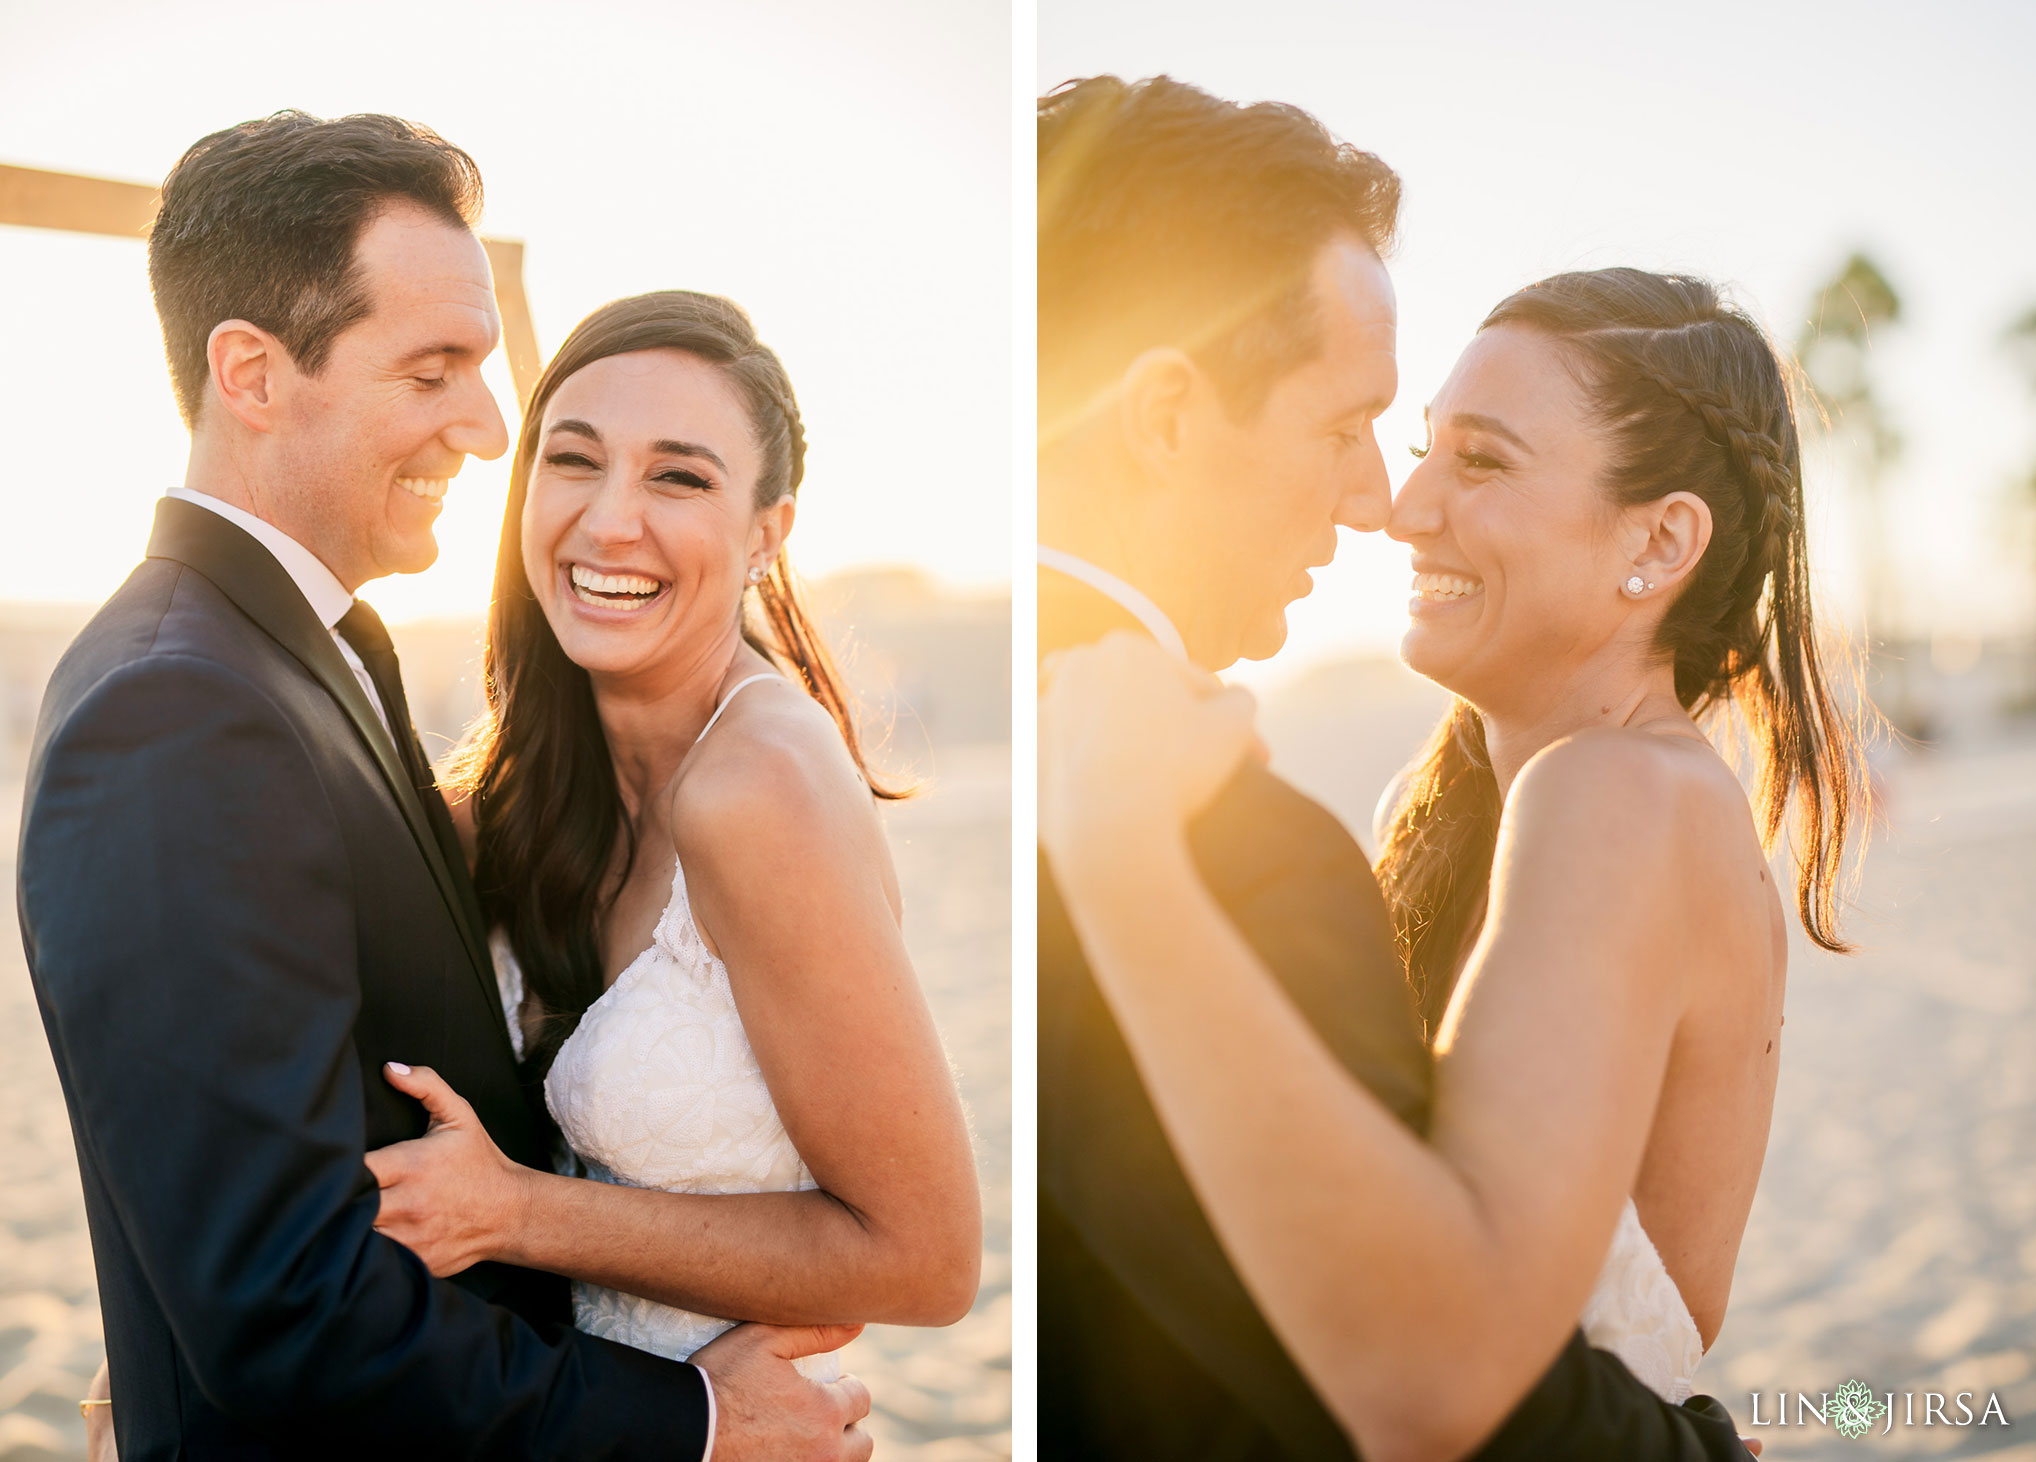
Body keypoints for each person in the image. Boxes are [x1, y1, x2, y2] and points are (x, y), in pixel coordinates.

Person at [20, 110, 870, 1461]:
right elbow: (283, 1308)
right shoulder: (175, 711)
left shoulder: (309, 650)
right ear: (250, 371)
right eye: (434, 372)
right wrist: (696, 1421)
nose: (487, 428)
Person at [1037, 75, 1773, 1460]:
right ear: (1164, 411)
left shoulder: (1611, 796)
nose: (1399, 503)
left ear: (1660, 545)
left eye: (1478, 460)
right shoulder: (1428, 813)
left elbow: (1451, 1369)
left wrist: (1129, 862)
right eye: (1384, 434)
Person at [353, 291, 983, 1381]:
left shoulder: (761, 785)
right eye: (574, 460)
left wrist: (514, 1213)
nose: (607, 521)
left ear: (763, 535)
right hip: (591, 1423)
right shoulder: (522, 786)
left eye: (678, 477)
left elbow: (926, 1259)